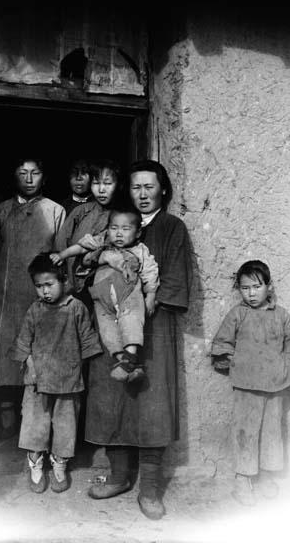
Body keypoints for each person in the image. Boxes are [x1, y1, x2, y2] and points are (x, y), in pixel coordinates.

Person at [85, 159, 192, 521]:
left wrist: (146, 305)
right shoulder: (114, 224)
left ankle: (149, 488)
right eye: (136, 187)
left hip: (154, 328)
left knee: (151, 405)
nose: (143, 194)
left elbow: (175, 281)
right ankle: (118, 476)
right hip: (114, 325)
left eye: (150, 187)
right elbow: (87, 267)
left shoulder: (172, 229)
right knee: (113, 397)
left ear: (162, 188)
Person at [0, 158, 66, 438]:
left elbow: (62, 255)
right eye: (22, 173)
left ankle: (35, 418)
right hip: (6, 295)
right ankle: (6, 409)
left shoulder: (55, 211)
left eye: (35, 173)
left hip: (40, 293)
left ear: (44, 177)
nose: (29, 179)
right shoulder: (1, 211)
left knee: (39, 353)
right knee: (5, 353)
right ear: (14, 177)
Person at [211, 259, 290, 506]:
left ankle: (266, 474)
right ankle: (243, 478)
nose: (251, 293)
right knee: (246, 431)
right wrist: (235, 360)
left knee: (272, 431)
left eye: (256, 286)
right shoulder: (238, 314)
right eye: (245, 288)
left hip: (276, 385)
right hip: (247, 385)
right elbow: (222, 342)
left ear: (269, 286)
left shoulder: (281, 316)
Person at [9, 254, 101, 493]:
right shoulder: (35, 310)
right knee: (34, 423)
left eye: (49, 284)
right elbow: (23, 342)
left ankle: (60, 463)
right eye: (39, 286)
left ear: (64, 281)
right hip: (38, 380)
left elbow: (89, 342)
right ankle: (36, 463)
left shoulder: (76, 308)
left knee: (65, 425)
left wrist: (79, 368)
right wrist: (29, 363)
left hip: (68, 379)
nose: (44, 291)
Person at [51, 207, 159, 382]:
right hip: (101, 297)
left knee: (131, 321)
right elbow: (81, 246)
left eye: (125, 229)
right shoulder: (102, 242)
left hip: (128, 294)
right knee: (107, 330)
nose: (118, 234)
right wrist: (62, 255)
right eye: (114, 228)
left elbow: (150, 271)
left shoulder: (140, 250)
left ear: (138, 232)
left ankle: (130, 358)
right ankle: (127, 365)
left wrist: (151, 296)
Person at [55, 159, 122, 297]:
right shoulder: (81, 212)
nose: (101, 190)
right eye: (96, 183)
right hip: (73, 287)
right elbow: (61, 242)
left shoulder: (123, 217)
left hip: (106, 288)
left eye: (108, 184)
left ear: (119, 185)